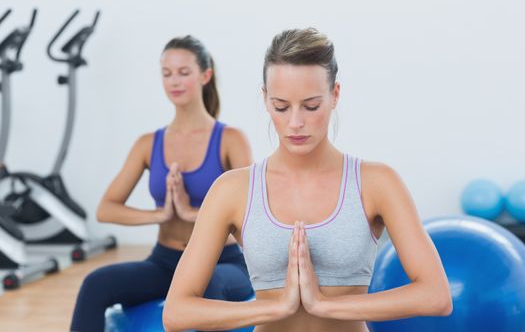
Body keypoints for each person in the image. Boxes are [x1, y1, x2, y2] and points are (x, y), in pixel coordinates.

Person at [162, 28, 452, 332]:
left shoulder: (376, 183)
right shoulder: (232, 190)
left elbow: (435, 295)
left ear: (334, 95)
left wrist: (324, 304)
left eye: (311, 106)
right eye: (281, 107)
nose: (295, 123)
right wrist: (275, 306)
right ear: (265, 98)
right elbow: (177, 312)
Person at [70, 35, 254, 332]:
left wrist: (193, 213)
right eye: (166, 73)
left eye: (184, 72)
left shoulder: (231, 140)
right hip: (165, 262)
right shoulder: (148, 144)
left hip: (222, 263)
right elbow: (106, 209)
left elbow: (253, 212)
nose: (174, 81)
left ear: (205, 75)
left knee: (208, 287)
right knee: (96, 283)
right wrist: (161, 215)